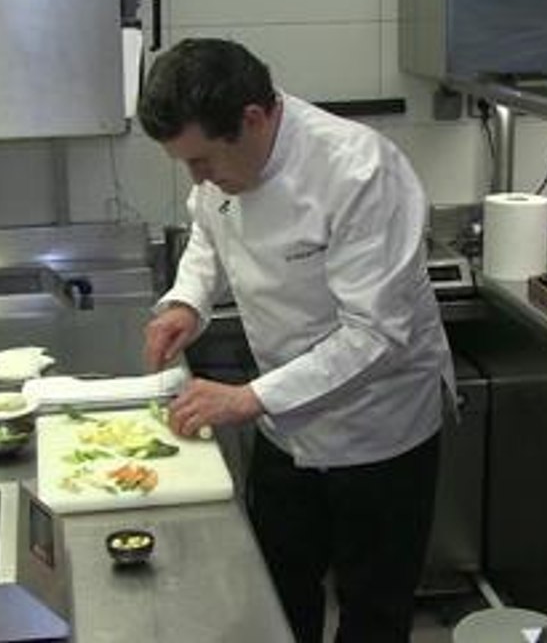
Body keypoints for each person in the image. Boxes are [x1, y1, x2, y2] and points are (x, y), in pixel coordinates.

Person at [138, 38, 455, 643]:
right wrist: (187, 302)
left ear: (253, 120)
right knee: (279, 596)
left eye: (201, 160)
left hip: (379, 432)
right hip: (284, 425)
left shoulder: (359, 169)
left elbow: (373, 336)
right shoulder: (224, 166)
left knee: (373, 612)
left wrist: (247, 398)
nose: (197, 176)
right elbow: (209, 233)